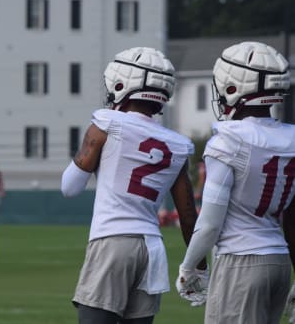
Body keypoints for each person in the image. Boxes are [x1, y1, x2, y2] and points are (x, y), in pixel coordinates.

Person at [61, 47, 205, 324]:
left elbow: (69, 187)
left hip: (113, 241)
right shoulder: (175, 143)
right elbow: (188, 217)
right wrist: (199, 267)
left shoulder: (107, 123)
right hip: (152, 249)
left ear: (121, 84)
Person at [176, 41, 295, 324]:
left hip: (241, 262)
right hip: (279, 262)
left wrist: (189, 266)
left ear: (234, 88)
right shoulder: (291, 138)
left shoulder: (228, 141)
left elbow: (209, 224)